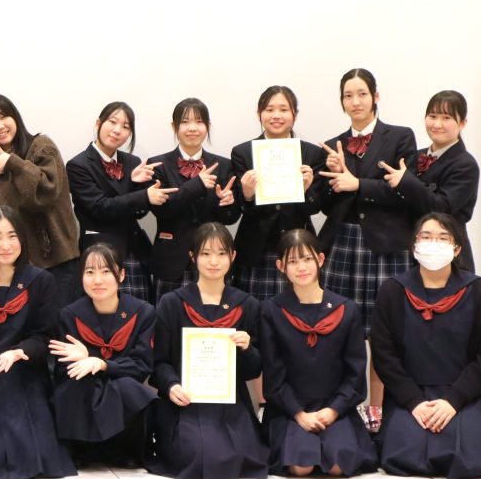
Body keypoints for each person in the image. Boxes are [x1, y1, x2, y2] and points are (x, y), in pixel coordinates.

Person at [371, 213, 481, 479]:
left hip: (463, 395)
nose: (434, 244)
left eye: (443, 238)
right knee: (403, 457)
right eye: (426, 237)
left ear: (457, 249)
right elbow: (385, 356)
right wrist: (414, 402)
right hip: (410, 396)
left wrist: (452, 401)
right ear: (414, 245)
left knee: (474, 459)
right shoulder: (392, 291)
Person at [316, 68, 417, 432]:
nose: (355, 102)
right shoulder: (333, 144)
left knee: (384, 332)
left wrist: (358, 183)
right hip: (342, 242)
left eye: (361, 94)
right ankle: (340, 411)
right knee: (340, 328)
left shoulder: (400, 137)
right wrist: (329, 180)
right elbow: (325, 204)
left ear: (376, 96)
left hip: (386, 245)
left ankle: (379, 411)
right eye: (348, 95)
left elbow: (406, 191)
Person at [0, 206, 75, 479]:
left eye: (12, 236)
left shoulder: (41, 280)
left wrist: (19, 352)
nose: (5, 245)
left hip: (23, 368)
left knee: (28, 434)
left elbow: (45, 337)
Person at [148, 222, 268, 479]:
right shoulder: (172, 303)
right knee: (198, 455)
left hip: (230, 403)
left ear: (233, 256)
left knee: (242, 457)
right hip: (185, 403)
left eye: (221, 253)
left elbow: (254, 369)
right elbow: (159, 363)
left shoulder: (247, 305)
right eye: (205, 253)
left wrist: (247, 349)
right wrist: (171, 386)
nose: (214, 261)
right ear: (192, 256)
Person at [259, 229, 377, 477]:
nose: (301, 267)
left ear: (320, 260)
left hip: (335, 407)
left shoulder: (347, 309)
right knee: (301, 466)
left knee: (337, 466)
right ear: (281, 266)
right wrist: (298, 413)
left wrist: (333, 410)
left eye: (307, 259)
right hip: (290, 409)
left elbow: (355, 374)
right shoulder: (271, 310)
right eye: (293, 261)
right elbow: (273, 374)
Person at [48, 243, 157, 468]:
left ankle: (124, 452)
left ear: (122, 274)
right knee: (75, 388)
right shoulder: (69, 315)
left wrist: (102, 363)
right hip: (84, 386)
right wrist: (82, 361)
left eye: (106, 271)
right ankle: (83, 451)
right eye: (90, 272)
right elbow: (62, 371)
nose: (98, 280)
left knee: (129, 389)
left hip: (123, 380)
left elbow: (142, 365)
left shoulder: (143, 312)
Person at [0, 94, 80, 304]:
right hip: (17, 265)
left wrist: (13, 163)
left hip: (57, 260)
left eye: (3, 116)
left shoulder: (41, 146)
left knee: (58, 321)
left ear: (16, 117)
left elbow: (46, 193)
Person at [231, 86, 325, 302]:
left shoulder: (311, 153)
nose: (276, 115)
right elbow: (238, 208)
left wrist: (306, 190)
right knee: (254, 313)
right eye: (269, 109)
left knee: (298, 310)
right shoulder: (242, 152)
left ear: (294, 114)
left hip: (298, 246)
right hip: (256, 247)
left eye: (283, 109)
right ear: (259, 114)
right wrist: (247, 194)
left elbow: (316, 207)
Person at [66, 101, 164, 302]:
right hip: (99, 253)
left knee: (139, 313)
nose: (118, 130)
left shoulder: (133, 162)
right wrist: (142, 195)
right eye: (112, 122)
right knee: (100, 314)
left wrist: (137, 187)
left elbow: (139, 212)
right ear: (98, 123)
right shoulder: (78, 165)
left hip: (134, 252)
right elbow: (100, 208)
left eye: (126, 126)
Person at [148, 98, 240, 301]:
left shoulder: (224, 165)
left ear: (208, 126)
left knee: (214, 317)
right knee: (169, 318)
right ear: (174, 126)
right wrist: (197, 184)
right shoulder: (158, 165)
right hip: (172, 262)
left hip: (213, 260)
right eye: (185, 122)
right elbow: (162, 210)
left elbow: (231, 218)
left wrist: (227, 203)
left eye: (199, 122)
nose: (192, 128)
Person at [379, 90, 480, 272]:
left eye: (446, 118)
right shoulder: (415, 156)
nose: (437, 124)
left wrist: (406, 182)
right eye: (432, 116)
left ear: (462, 123)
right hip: (408, 252)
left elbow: (441, 208)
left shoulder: (466, 164)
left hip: (446, 255)